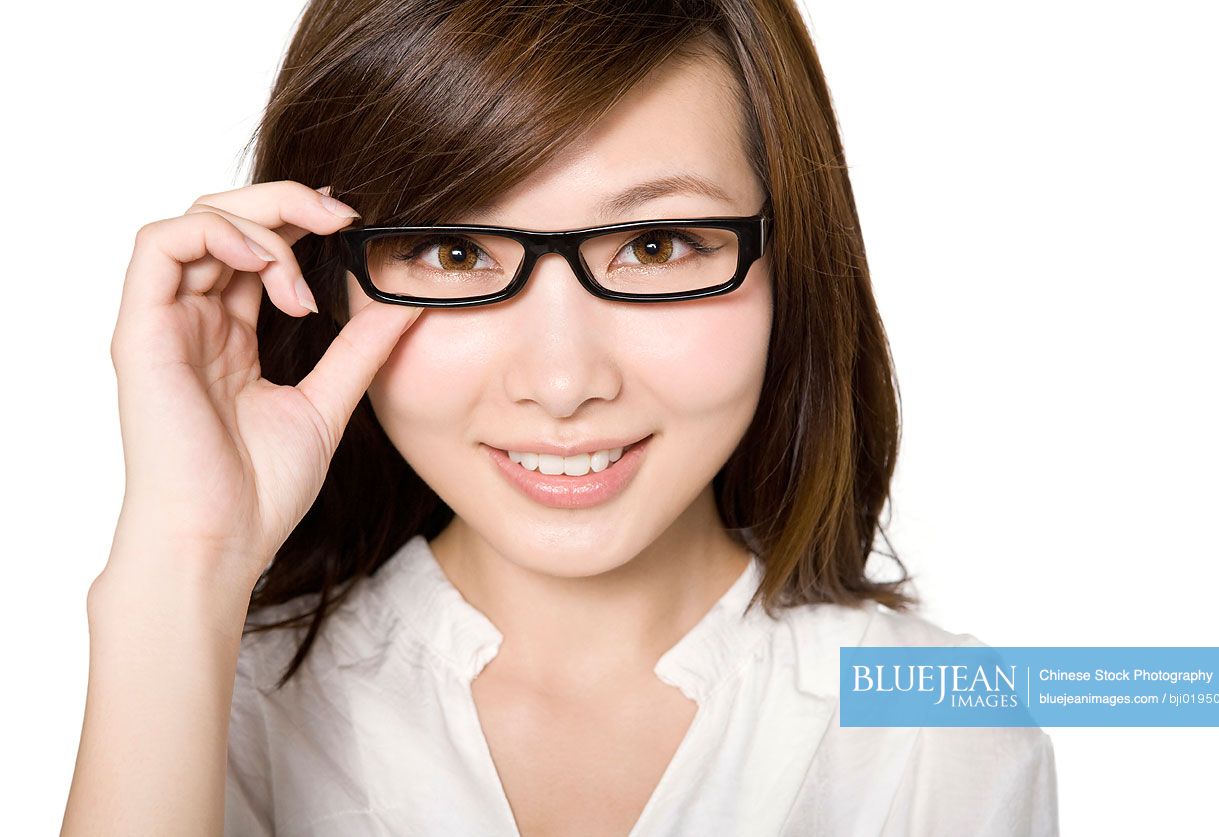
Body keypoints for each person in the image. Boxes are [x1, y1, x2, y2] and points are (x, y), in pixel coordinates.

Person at [62, 1, 1059, 835]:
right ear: (322, 281)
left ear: (787, 260)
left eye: (658, 244)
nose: (561, 379)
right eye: (454, 253)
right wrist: (184, 560)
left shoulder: (937, 726)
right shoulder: (214, 696)